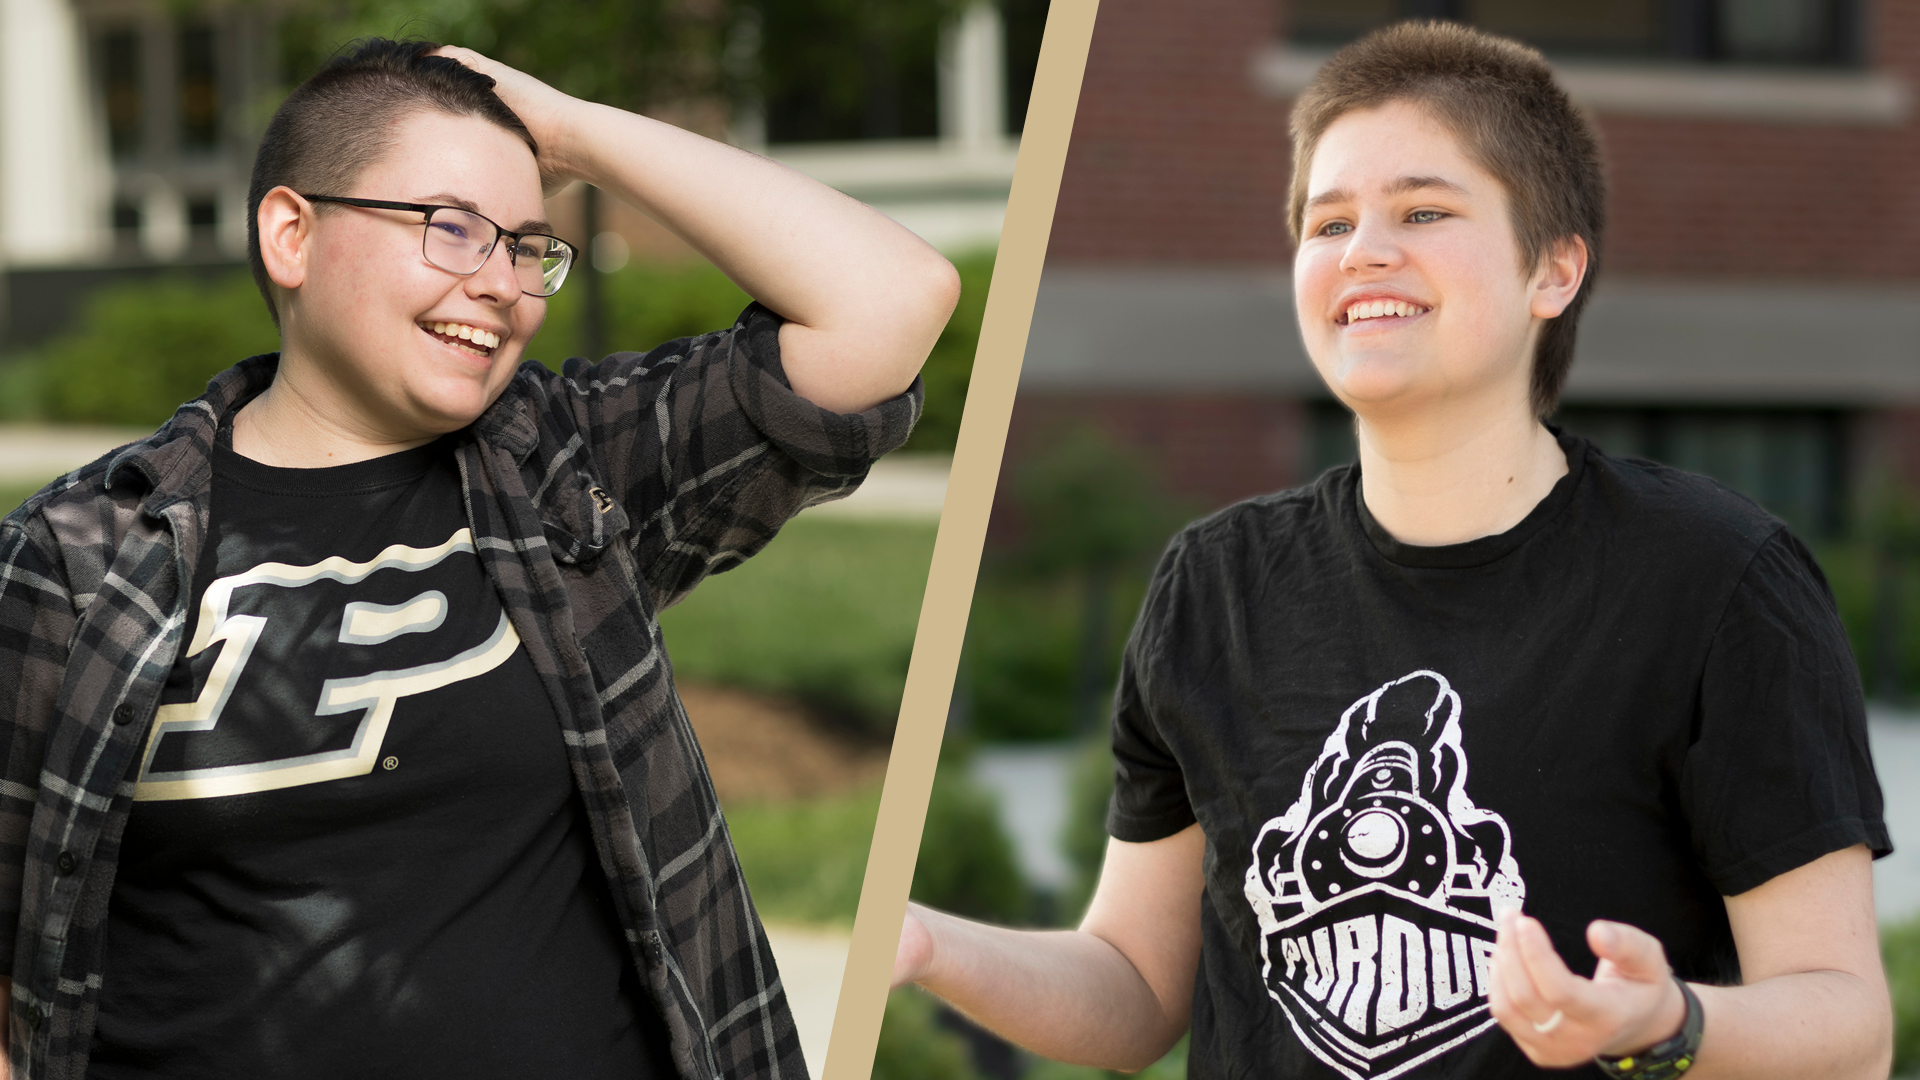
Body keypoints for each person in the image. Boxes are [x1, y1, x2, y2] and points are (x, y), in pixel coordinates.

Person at [893, 21, 1892, 1080]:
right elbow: (1138, 989)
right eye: (1328, 223)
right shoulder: (1215, 584)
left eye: (1423, 211)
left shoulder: (1717, 581)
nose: (1364, 249)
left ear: (1552, 270)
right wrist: (925, 942)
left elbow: (1849, 1029)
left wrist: (1669, 1024)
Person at [0, 37, 957, 1080]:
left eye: (528, 246)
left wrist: (573, 131)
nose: (503, 284)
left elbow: (890, 303)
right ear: (292, 234)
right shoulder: (80, 556)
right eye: (452, 229)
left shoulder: (568, 471)